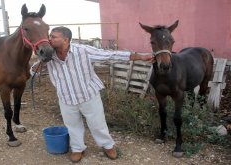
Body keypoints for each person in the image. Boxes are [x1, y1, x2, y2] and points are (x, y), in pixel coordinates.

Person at [31, 26, 153, 163]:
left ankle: (107, 146)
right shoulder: (49, 55)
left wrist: (141, 57)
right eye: (50, 36)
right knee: (72, 125)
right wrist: (42, 60)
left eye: (53, 37)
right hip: (66, 98)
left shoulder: (82, 50)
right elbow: (33, 72)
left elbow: (110, 55)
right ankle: (78, 148)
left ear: (65, 39)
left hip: (88, 95)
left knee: (97, 123)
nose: (49, 39)